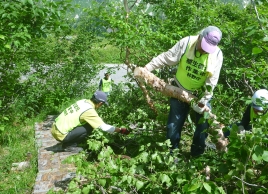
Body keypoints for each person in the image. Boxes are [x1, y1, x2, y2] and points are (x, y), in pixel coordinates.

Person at [144, 26, 223, 157]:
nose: (204, 50)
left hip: (201, 94)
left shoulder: (217, 55)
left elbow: (212, 81)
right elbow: (167, 57)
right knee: (173, 126)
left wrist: (203, 101)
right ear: (200, 37)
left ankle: (196, 156)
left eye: (207, 49)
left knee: (203, 127)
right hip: (179, 90)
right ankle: (172, 155)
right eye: (203, 46)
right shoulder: (187, 42)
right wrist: (147, 68)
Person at [51, 91, 130, 152]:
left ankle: (69, 140)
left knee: (88, 123)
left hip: (55, 127)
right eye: (102, 105)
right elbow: (104, 128)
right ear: (100, 103)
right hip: (60, 134)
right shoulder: (89, 110)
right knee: (90, 127)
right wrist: (120, 130)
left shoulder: (83, 101)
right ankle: (69, 145)